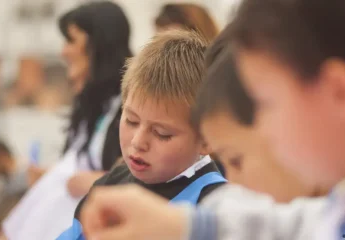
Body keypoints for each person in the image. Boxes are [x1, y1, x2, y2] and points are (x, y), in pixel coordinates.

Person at [80, 0, 345, 239]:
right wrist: (185, 227)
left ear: (339, 95)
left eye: (265, 102)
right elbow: (290, 226)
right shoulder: (342, 208)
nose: (260, 126)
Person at [57, 29, 227, 240]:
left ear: (206, 139)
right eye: (131, 121)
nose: (138, 142)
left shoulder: (216, 210)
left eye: (161, 133)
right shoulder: (108, 185)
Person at [3, 2, 132, 239]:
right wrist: (51, 175)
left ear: (99, 45)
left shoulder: (129, 108)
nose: (63, 51)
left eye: (71, 41)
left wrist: (98, 181)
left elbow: (138, 173)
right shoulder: (92, 107)